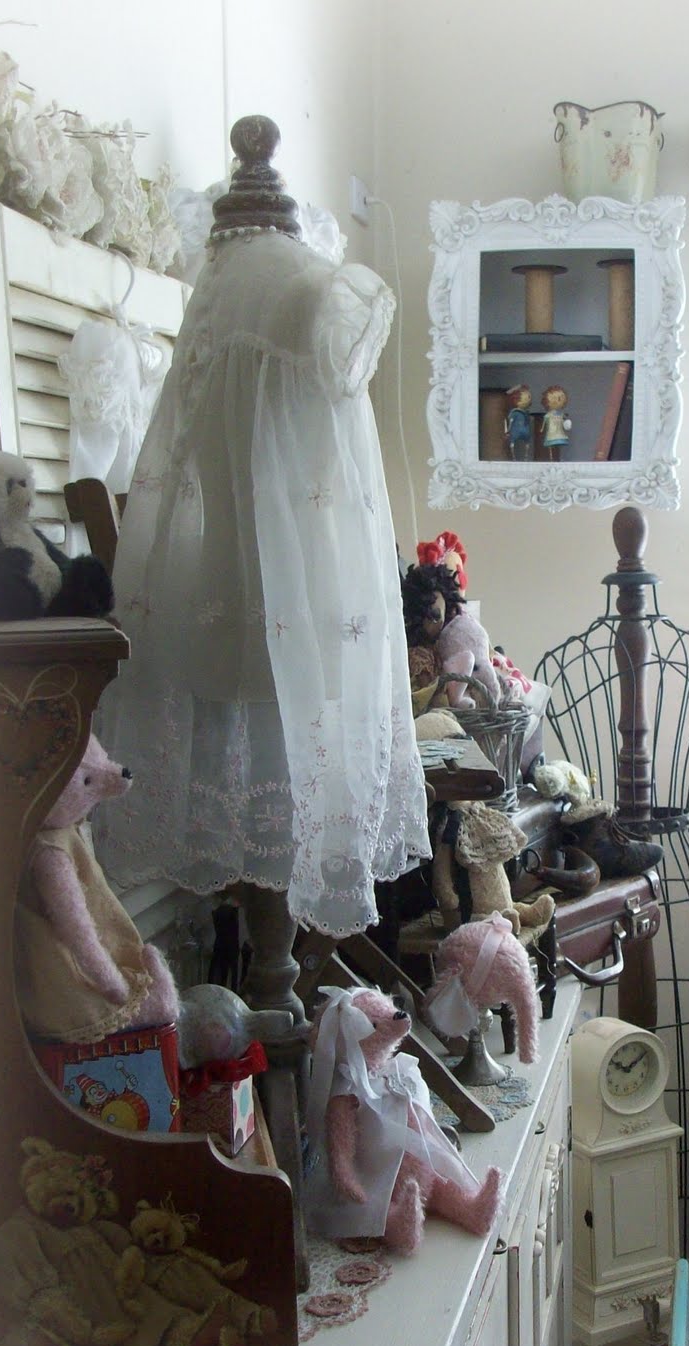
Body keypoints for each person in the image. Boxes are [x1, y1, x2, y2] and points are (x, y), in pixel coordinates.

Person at [96, 117, 429, 939]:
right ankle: (264, 991)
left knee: (280, 838)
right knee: (253, 842)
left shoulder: (310, 290)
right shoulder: (232, 289)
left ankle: (276, 985)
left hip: (283, 619)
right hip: (240, 614)